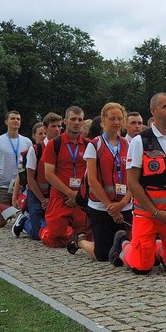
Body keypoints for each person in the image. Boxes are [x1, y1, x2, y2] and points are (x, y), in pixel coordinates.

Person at [109, 92, 166, 274]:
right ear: (153, 111)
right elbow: (132, 183)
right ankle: (123, 245)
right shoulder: (139, 142)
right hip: (147, 214)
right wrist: (155, 213)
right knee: (142, 268)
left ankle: (155, 248)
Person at [68, 103, 133, 260]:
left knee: (126, 246)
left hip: (124, 203)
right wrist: (111, 207)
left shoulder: (128, 144)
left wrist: (123, 202)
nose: (116, 123)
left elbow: (133, 178)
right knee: (103, 255)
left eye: (119, 119)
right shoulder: (94, 145)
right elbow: (92, 180)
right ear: (103, 120)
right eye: (112, 119)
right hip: (101, 206)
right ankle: (81, 241)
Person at [39, 106, 92, 248]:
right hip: (60, 196)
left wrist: (78, 196)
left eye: (80, 119)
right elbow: (48, 174)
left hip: (80, 197)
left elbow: (91, 173)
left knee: (88, 235)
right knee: (54, 239)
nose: (76, 122)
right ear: (65, 121)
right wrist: (70, 193)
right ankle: (43, 230)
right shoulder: (54, 144)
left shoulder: (88, 145)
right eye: (73, 119)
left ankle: (76, 237)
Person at [14, 113, 63, 239]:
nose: (57, 129)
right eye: (53, 126)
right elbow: (30, 178)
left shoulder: (62, 148)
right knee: (37, 235)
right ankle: (24, 221)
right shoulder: (35, 150)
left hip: (55, 195)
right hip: (36, 194)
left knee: (56, 231)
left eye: (59, 126)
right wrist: (42, 200)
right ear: (46, 129)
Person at [0, 111, 33, 227]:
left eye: (18, 119)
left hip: (20, 186)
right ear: (6, 122)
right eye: (13, 118)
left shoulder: (27, 142)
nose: (16, 121)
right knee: (0, 223)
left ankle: (11, 212)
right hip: (3, 185)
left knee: (23, 217)